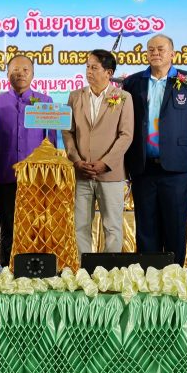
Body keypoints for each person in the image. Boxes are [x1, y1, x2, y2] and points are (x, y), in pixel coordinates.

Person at [123, 34, 187, 267]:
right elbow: (126, 124)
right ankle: (149, 272)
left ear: (172, 54)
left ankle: (173, 273)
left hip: (177, 166)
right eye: (151, 49)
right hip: (143, 166)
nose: (155, 53)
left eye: (160, 49)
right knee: (146, 226)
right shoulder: (133, 82)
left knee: (175, 224)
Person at [0, 55, 57, 268]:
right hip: (6, 175)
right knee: (9, 226)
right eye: (15, 70)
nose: (20, 74)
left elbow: (50, 141)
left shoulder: (45, 102)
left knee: (36, 226)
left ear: (32, 74)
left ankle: (35, 269)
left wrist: (50, 174)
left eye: (25, 70)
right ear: (7, 74)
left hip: (36, 178)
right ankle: (7, 270)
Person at [64, 49, 134, 254]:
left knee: (112, 227)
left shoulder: (123, 97)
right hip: (82, 172)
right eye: (87, 67)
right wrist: (76, 160)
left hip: (111, 173)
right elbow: (68, 132)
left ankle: (110, 269)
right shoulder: (75, 96)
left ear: (108, 73)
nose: (89, 71)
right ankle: (82, 268)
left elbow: (126, 135)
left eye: (94, 68)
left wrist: (106, 163)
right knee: (80, 226)